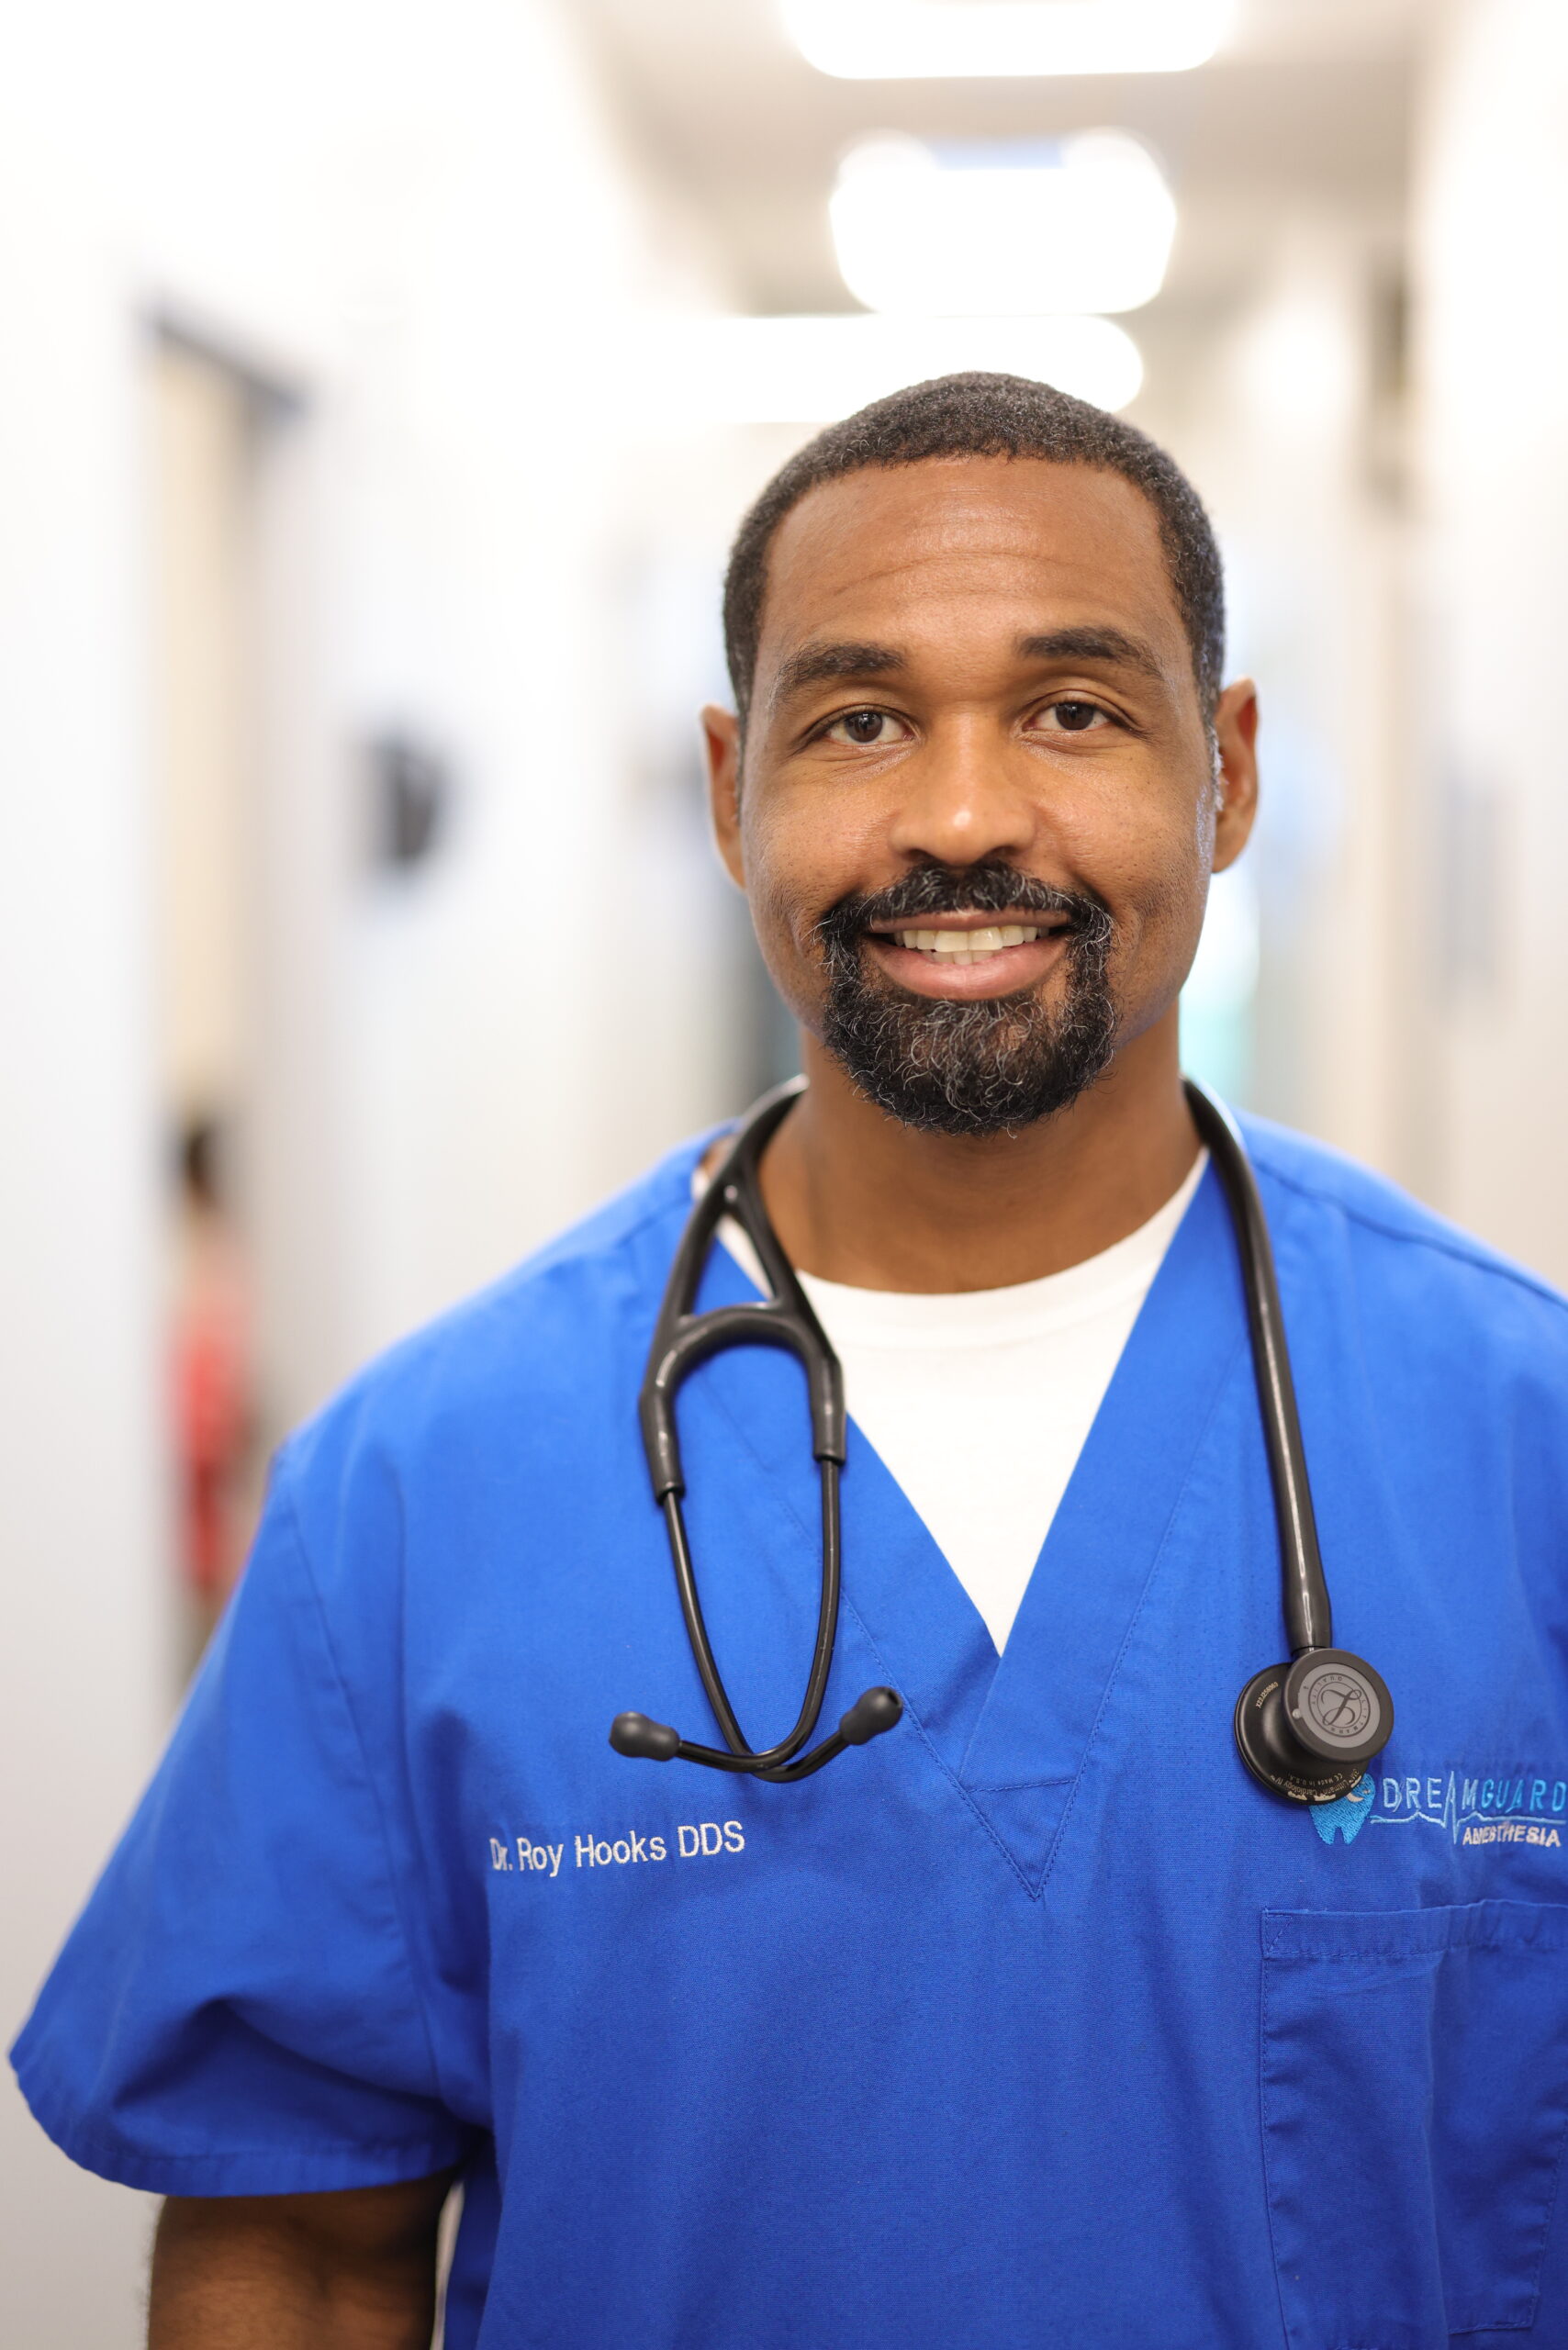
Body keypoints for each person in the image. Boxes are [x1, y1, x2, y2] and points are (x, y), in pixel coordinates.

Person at [14, 373, 1568, 2349]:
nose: (958, 813)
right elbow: (307, 2258)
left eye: (1071, 709)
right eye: (857, 721)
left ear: (1228, 771)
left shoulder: (1519, 1444)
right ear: (733, 781)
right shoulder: (414, 1495)